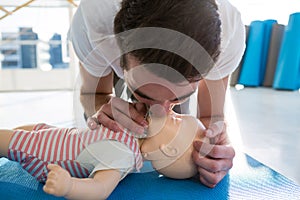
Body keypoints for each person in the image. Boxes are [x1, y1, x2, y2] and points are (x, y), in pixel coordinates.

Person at [68, 0, 245, 188]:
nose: (161, 112)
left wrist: (216, 152)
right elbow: (92, 93)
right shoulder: (95, 21)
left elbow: (211, 116)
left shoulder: (228, 34)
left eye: (178, 97)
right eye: (144, 93)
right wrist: (100, 108)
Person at [0, 111, 207, 199]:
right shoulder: (135, 132)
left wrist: (69, 186)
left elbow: (100, 189)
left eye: (177, 120)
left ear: (168, 149)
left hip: (45, 153)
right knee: (16, 131)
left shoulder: (124, 155)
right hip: (54, 134)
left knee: (6, 140)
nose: (172, 112)